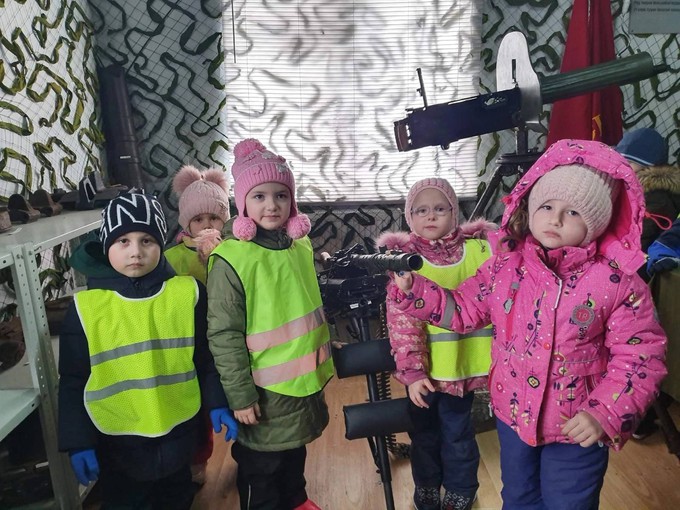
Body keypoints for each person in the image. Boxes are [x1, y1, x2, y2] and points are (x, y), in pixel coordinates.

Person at [390, 140, 667, 509]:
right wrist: (416, 291)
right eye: (547, 206)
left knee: (569, 503)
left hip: (578, 425)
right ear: (530, 207)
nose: (555, 219)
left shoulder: (617, 283)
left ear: (597, 221)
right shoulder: (505, 266)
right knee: (518, 497)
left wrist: (605, 411)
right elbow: (464, 308)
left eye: (573, 212)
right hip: (514, 414)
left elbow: (641, 357)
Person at [58, 192, 237, 509]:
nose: (136, 252)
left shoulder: (188, 294)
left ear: (161, 243)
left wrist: (218, 403)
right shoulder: (86, 308)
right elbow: (73, 380)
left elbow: (206, 360)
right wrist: (78, 441)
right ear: (106, 245)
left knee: (177, 499)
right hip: (117, 441)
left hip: (179, 431)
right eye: (123, 241)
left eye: (147, 240)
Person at [205, 139, 333, 510]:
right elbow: (224, 335)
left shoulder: (300, 246)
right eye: (259, 196)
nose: (272, 205)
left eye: (281, 195)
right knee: (262, 466)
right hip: (261, 390)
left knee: (294, 450)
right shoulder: (232, 259)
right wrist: (240, 396)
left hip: (303, 382)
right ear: (243, 203)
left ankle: (296, 500)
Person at [377, 178, 495, 510]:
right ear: (409, 217)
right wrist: (412, 373)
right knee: (424, 434)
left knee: (458, 433)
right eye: (421, 210)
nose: (431, 216)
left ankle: (462, 487)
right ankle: (427, 484)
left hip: (462, 370)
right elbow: (402, 324)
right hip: (424, 374)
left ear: (454, 213)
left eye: (440, 208)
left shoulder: (480, 251)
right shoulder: (403, 262)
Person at [166, 164, 231, 484]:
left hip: (230, 336)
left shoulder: (235, 250)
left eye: (214, 218)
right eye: (198, 219)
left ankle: (249, 451)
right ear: (186, 223)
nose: (206, 224)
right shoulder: (172, 258)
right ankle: (198, 459)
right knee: (198, 405)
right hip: (192, 342)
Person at [615, 127, 680, 254]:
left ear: (648, 167)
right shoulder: (628, 184)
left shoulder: (658, 199)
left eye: (629, 162)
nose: (622, 166)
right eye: (620, 160)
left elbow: (639, 241)